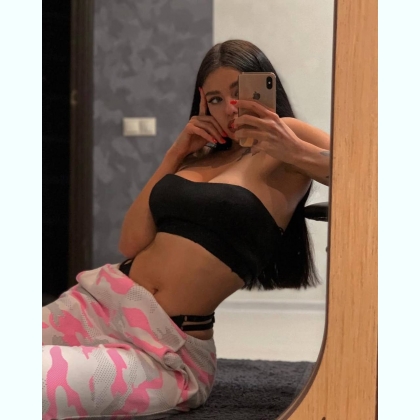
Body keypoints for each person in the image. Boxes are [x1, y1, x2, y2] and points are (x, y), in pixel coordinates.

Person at [42, 39, 330, 419]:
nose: (229, 109)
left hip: (165, 350)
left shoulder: (287, 137)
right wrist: (175, 153)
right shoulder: (198, 156)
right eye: (215, 99)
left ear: (264, 85)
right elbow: (131, 241)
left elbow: (366, 173)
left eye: (239, 92)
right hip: (100, 302)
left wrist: (292, 150)